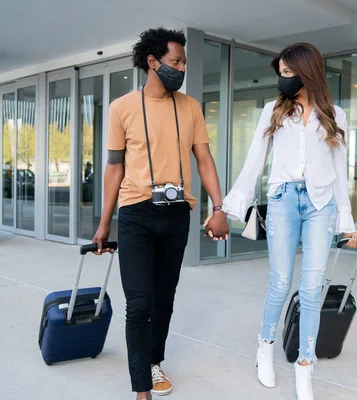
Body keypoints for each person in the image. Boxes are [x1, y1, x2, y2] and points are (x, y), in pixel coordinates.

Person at [215, 42, 357, 400]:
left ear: (305, 72)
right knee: (280, 284)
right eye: (280, 73)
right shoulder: (272, 111)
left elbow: (340, 173)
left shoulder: (334, 115)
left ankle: (304, 367)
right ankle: (264, 347)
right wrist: (229, 208)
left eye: (287, 73)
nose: (281, 79)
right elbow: (255, 161)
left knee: (312, 289)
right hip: (283, 201)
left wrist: (348, 223)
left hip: (321, 204)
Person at [91, 27, 229, 400]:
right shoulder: (122, 108)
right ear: (153, 63)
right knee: (139, 303)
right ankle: (141, 388)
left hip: (177, 214)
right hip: (135, 213)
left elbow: (204, 159)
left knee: (164, 299)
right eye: (176, 61)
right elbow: (114, 169)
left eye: (184, 61)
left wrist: (219, 207)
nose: (182, 67)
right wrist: (104, 223)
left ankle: (154, 361)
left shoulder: (190, 107)